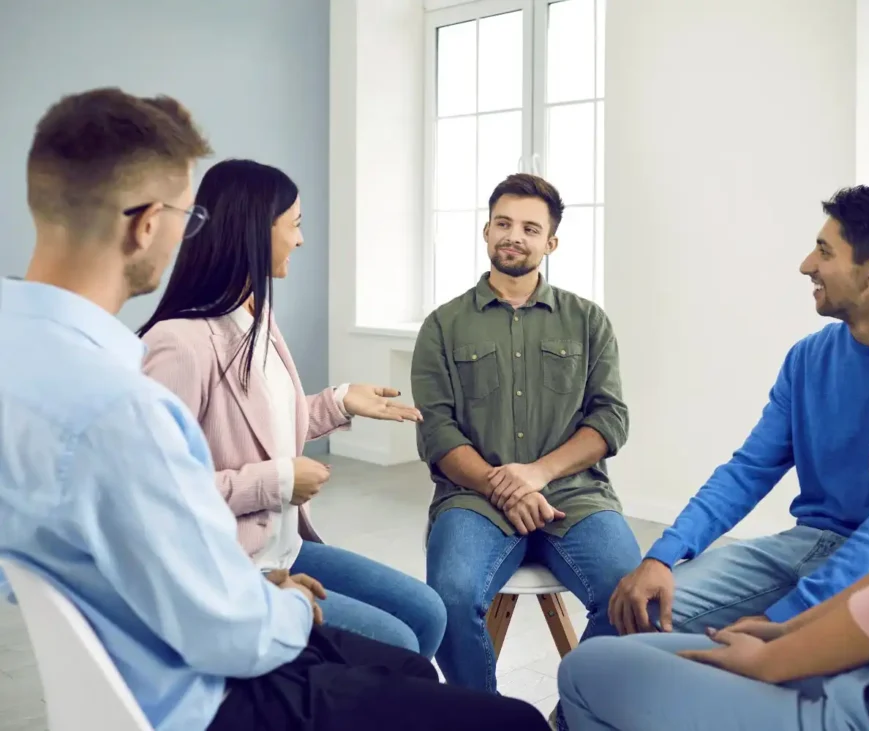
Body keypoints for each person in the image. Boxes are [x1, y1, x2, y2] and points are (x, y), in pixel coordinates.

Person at [0, 87, 548, 731]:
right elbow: (219, 626)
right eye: (185, 215)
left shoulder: (32, 357)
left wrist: (340, 404)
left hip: (177, 631)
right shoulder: (124, 397)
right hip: (206, 687)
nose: (188, 232)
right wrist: (285, 599)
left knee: (414, 639)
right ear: (148, 224)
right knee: (511, 720)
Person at [557, 74, 869, 731]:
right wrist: (666, 554)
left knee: (591, 672)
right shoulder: (822, 357)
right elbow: (749, 468)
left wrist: (780, 640)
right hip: (818, 557)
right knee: (621, 617)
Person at [609, 186, 869, 639]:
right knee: (632, 612)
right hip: (803, 545)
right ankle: (569, 713)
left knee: (749, 658)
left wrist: (783, 619)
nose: (806, 264)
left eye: (824, 251)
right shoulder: (808, 358)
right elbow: (750, 469)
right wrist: (662, 555)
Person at [138, 159, 446, 658]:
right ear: (257, 231)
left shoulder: (255, 317)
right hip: (231, 570)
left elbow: (258, 424)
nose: (301, 241)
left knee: (428, 613)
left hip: (288, 547)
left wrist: (340, 402)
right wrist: (277, 482)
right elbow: (154, 494)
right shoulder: (178, 345)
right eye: (295, 225)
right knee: (398, 646)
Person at [411, 173, 642, 692]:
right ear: (487, 231)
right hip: (473, 499)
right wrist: (502, 484)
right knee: (448, 597)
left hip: (575, 496)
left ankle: (573, 713)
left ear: (550, 242)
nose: (514, 235)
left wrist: (535, 475)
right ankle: (488, 720)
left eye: (530, 228)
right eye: (503, 223)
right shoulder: (442, 326)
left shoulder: (589, 321)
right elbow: (438, 433)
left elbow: (610, 419)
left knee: (631, 596)